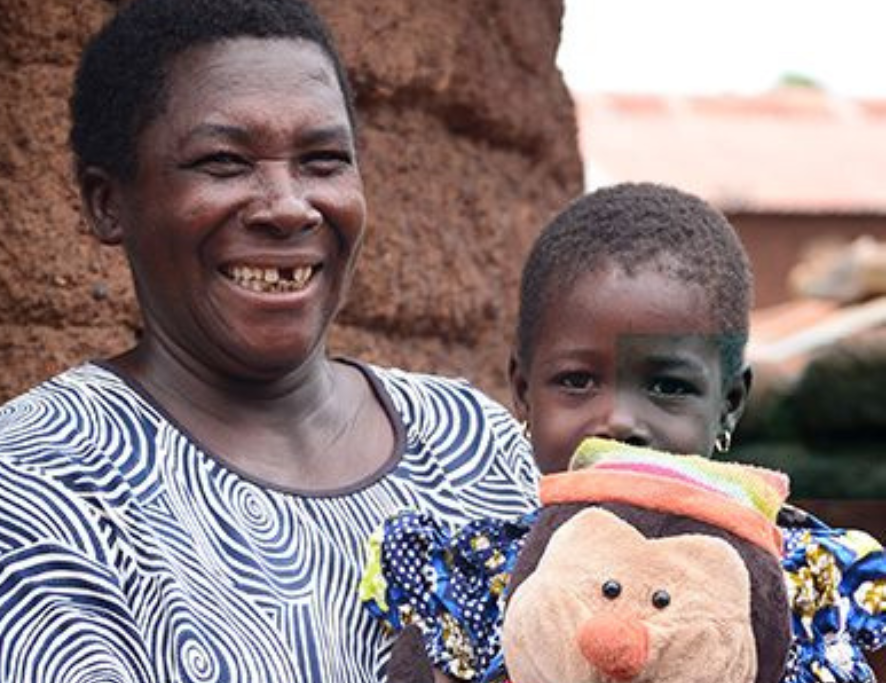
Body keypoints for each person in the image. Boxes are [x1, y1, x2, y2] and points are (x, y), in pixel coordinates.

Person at [0, 1, 541, 682]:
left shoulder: (472, 441)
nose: (288, 204)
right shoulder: (43, 475)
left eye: (323, 160)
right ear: (106, 202)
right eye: (223, 161)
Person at [361, 182, 886, 683]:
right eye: (577, 380)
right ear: (523, 392)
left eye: (667, 385)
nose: (618, 421)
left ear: (729, 404)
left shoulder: (790, 590)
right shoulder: (480, 573)